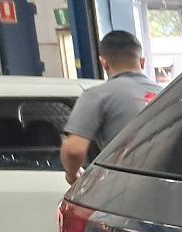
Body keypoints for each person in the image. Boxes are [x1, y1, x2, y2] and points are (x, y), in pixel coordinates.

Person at [61, 30, 161, 183]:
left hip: (125, 189)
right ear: (142, 62)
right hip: (173, 186)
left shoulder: (97, 95)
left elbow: (74, 150)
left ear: (104, 63)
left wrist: (73, 175)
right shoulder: (169, 92)